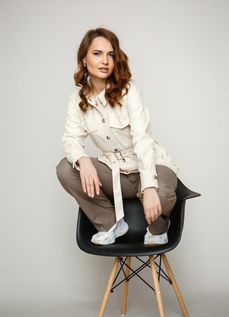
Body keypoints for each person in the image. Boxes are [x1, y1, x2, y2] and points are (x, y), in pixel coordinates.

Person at [56, 27, 179, 246]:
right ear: (84, 59)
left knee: (160, 196)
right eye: (97, 54)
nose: (105, 60)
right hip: (117, 174)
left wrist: (149, 186)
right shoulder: (77, 99)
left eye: (110, 55)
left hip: (150, 164)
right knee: (66, 168)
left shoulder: (128, 91)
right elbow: (70, 139)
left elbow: (142, 139)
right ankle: (110, 224)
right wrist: (82, 160)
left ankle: (158, 229)